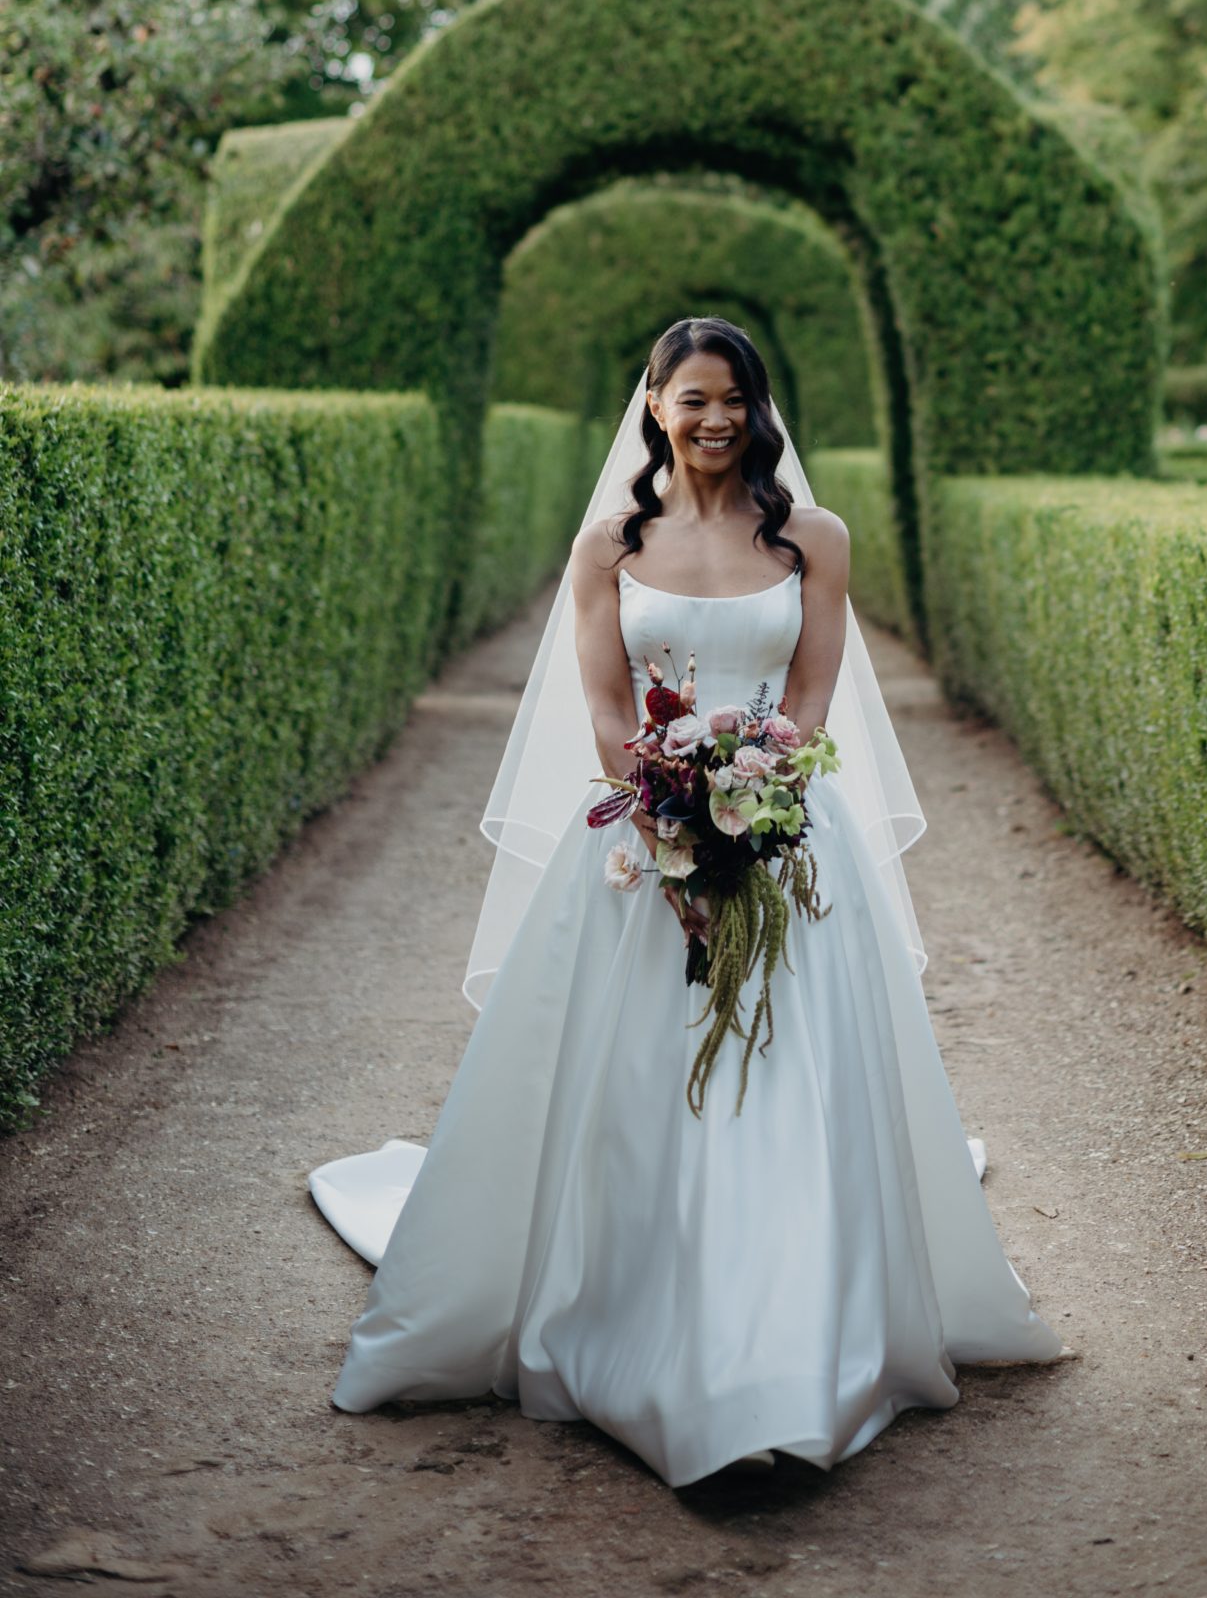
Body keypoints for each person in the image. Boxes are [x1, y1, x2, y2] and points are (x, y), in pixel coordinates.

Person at [312, 313, 1061, 1486]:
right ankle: (640, 1329)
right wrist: (673, 831)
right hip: (637, 849)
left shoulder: (813, 538)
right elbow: (610, 711)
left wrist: (752, 821)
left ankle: (785, 1350)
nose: (715, 419)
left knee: (787, 1077)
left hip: (785, 840)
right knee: (634, 1088)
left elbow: (807, 700)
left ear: (757, 410)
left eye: (733, 399)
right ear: (654, 405)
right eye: (692, 398)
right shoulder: (607, 547)